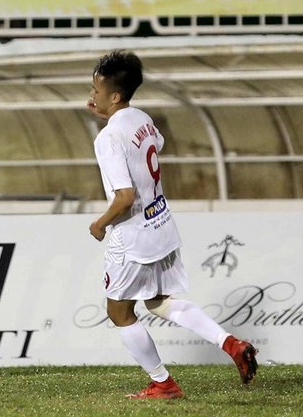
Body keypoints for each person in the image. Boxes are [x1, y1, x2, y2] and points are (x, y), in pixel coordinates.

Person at [87, 50, 258, 399]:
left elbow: (124, 197)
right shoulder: (142, 118)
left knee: (119, 312)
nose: (92, 96)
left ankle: (163, 383)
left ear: (114, 96)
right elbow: (154, 146)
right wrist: (111, 120)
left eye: (96, 90)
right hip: (161, 224)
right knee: (159, 302)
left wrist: (100, 224)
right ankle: (231, 344)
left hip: (133, 236)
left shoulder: (108, 138)